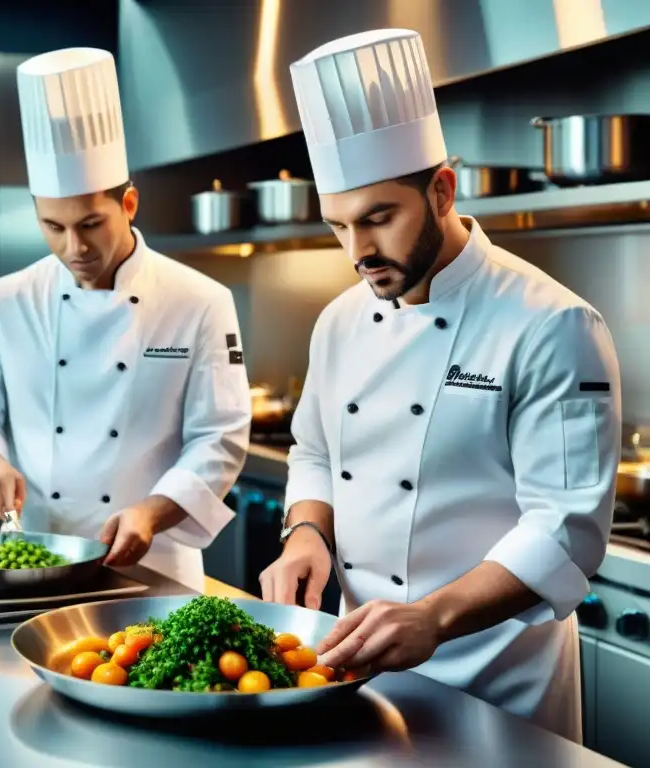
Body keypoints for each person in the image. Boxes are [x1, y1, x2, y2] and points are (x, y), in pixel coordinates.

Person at [260, 29, 621, 742]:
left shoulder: (551, 323)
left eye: (378, 218)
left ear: (442, 189)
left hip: (499, 689)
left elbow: (567, 530)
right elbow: (314, 453)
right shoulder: (338, 322)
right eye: (338, 226)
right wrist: (306, 532)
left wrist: (433, 617)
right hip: (362, 667)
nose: (358, 252)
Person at [0, 47, 251, 592]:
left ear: (129, 203)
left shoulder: (199, 300)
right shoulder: (10, 297)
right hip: (34, 560)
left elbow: (219, 437)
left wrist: (152, 512)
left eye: (90, 223)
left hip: (152, 567)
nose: (74, 247)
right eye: (52, 227)